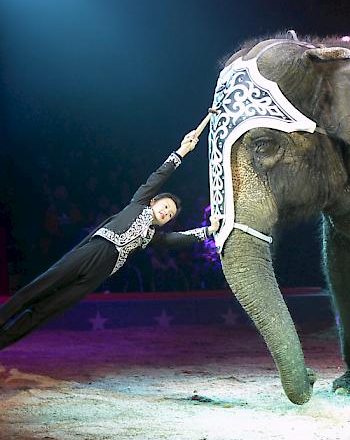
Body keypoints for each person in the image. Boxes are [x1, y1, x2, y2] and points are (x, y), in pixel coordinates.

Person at [0, 130, 220, 350]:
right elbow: (160, 175)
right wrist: (183, 150)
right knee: (39, 288)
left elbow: (178, 239)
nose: (166, 213)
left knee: (47, 310)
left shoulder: (152, 236)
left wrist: (209, 230)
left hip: (99, 273)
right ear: (153, 201)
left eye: (170, 215)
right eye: (165, 207)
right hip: (93, 251)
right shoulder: (139, 202)